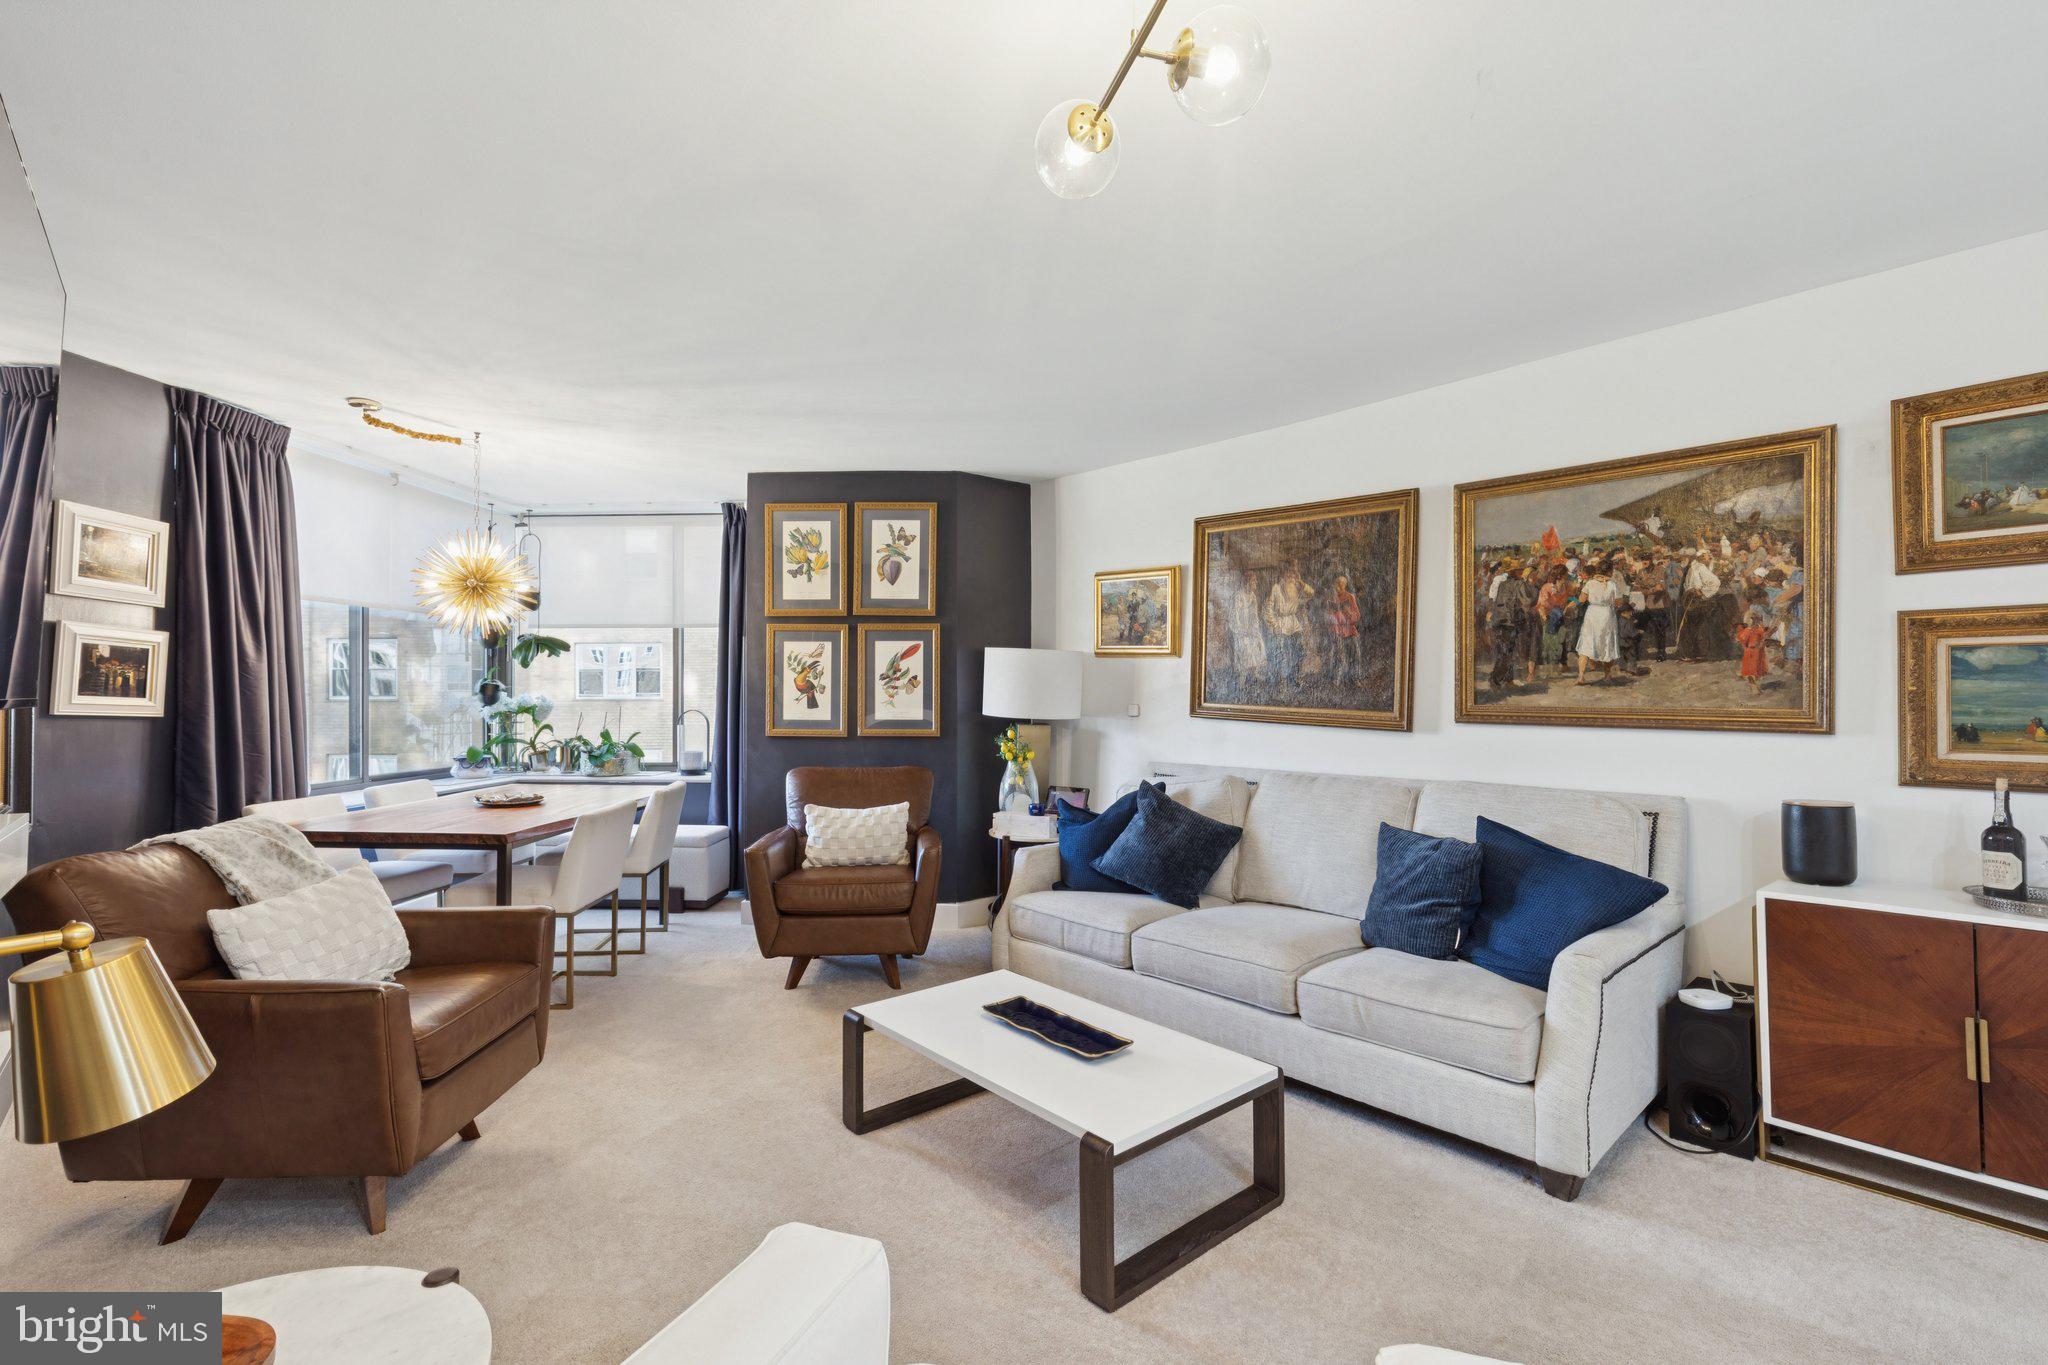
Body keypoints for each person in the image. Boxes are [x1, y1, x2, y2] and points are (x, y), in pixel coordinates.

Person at [1263, 562, 1314, 686]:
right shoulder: (1276, 588)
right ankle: (1282, 680)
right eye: (1289, 574)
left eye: (1294, 575)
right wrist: (1274, 625)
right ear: (1284, 574)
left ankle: (1295, 676)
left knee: (1299, 651)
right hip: (1280, 624)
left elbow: (1311, 593)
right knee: (1281, 653)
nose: (1291, 577)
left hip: (1293, 623)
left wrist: (1301, 582)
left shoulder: (1296, 586)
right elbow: (1267, 608)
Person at [1575, 556, 1621, 684]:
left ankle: (1581, 676)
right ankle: (1607, 675)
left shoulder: (1590, 583)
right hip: (1606, 614)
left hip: (1592, 614)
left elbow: (1581, 599)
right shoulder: (1612, 584)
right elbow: (1619, 603)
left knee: (1587, 643)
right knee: (1607, 643)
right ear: (1609, 571)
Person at [1488, 563, 1534, 691]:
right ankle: (1496, 680)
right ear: (1515, 572)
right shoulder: (1519, 584)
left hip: (1501, 621)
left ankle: (1507, 679)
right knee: (1507, 652)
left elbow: (1494, 600)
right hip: (1510, 621)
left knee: (1506, 651)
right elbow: (1527, 601)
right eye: (1520, 570)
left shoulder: (1503, 583)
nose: (1522, 572)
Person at [1228, 571, 1266, 686]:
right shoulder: (1238, 596)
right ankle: (1242, 679)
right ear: (1247, 583)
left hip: (1251, 629)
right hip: (1241, 631)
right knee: (1245, 651)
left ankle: (1255, 672)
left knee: (1258, 645)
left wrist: (1254, 628)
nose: (1256, 583)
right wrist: (1243, 630)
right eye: (1254, 581)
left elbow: (1254, 615)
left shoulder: (1253, 596)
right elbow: (1234, 616)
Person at [1327, 572, 1364, 688]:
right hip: (1337, 631)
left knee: (1355, 655)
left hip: (1350, 630)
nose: (1338, 587)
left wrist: (1350, 615)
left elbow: (1357, 615)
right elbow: (1329, 617)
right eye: (1336, 584)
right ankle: (1337, 680)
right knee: (1340, 656)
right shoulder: (1331, 598)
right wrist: (1337, 616)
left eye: (1341, 584)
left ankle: (1355, 679)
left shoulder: (1350, 597)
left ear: (1344, 585)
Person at [1736, 607, 1770, 689]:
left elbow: (1742, 639)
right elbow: (1763, 638)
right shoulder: (1754, 629)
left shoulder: (1753, 630)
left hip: (1754, 651)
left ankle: (1753, 684)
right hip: (1754, 651)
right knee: (1753, 669)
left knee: (1754, 668)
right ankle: (1753, 685)